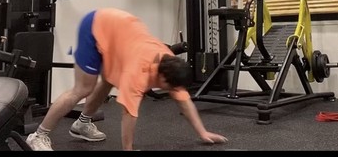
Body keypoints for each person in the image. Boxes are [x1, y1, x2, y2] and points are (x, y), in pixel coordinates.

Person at [25, 8, 228, 151]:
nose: (173, 93)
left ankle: (82, 124)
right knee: (83, 88)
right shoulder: (138, 74)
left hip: (119, 32)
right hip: (94, 26)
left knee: (108, 80)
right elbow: (129, 115)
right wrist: (128, 149)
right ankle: (38, 136)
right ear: (162, 78)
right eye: (170, 88)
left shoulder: (170, 64)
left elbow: (184, 102)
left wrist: (202, 132)